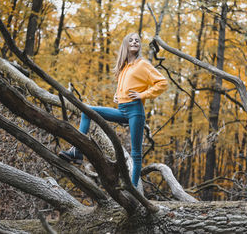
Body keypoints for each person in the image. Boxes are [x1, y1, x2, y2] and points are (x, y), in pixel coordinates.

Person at [59, 33, 168, 187]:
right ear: (125, 45)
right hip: (121, 110)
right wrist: (118, 95)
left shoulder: (142, 64)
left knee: (136, 154)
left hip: (135, 111)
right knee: (87, 110)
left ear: (139, 46)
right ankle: (77, 151)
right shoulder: (123, 67)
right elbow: (128, 85)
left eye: (137, 40)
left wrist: (143, 94)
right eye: (131, 40)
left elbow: (162, 83)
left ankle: (134, 189)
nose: (134, 42)